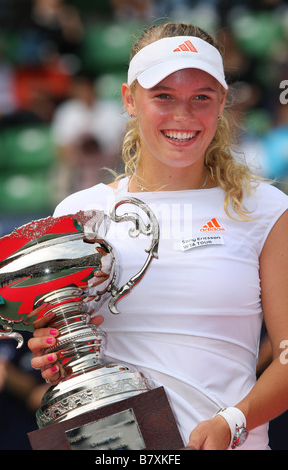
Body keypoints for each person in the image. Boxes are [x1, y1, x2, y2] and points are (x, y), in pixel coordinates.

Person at [28, 22, 288, 450]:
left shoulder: (267, 210)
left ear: (222, 102)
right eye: (163, 96)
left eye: (201, 98)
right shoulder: (78, 214)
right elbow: (59, 356)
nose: (183, 116)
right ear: (130, 99)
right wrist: (55, 352)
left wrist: (235, 422)